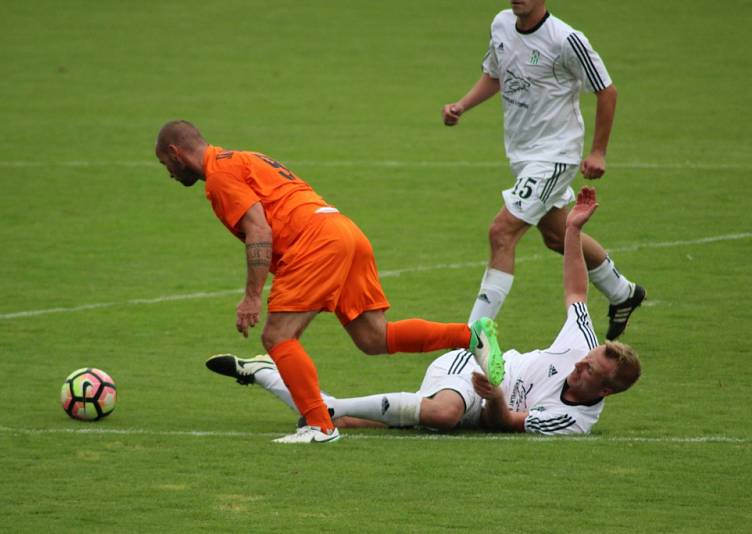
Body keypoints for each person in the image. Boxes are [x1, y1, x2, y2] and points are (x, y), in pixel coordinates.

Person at [155, 120, 500, 444]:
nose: (168, 174)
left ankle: (320, 425)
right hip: (342, 229)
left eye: (164, 164)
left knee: (277, 336)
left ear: (176, 152)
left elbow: (258, 230)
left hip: (314, 242)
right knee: (374, 337)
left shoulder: (220, 175)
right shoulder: (242, 157)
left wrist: (251, 296)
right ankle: (470, 335)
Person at [207, 187, 641, 435]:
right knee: (443, 413)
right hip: (469, 369)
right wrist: (572, 228)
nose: (580, 363)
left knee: (362, 419)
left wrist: (495, 396)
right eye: (587, 357)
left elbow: (505, 423)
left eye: (588, 371)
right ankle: (473, 341)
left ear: (603, 391)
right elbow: (576, 289)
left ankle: (267, 374)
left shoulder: (574, 421)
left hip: (489, 400)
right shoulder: (583, 345)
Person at [441, 0, 645, 340]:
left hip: (555, 156)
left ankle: (471, 337)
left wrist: (598, 152)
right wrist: (462, 105)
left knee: (501, 232)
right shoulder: (502, 24)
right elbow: (495, 75)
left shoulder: (566, 40)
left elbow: (607, 92)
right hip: (523, 155)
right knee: (557, 234)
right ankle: (623, 293)